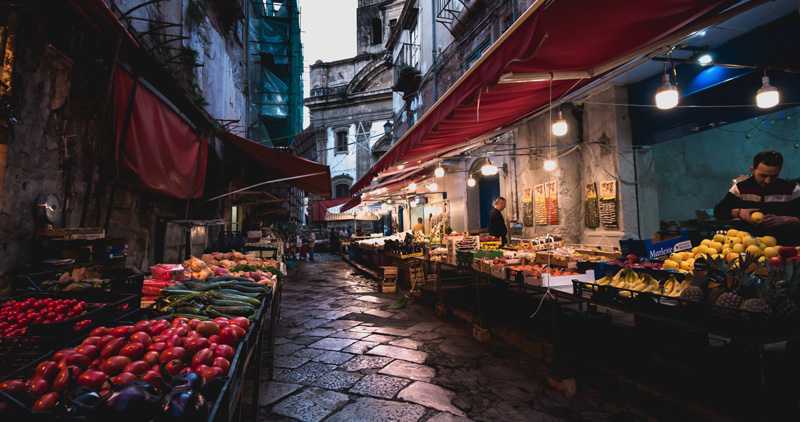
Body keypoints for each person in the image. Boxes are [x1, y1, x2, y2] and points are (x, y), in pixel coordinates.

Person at [713, 150, 800, 245]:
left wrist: (784, 220)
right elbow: (719, 211)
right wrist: (740, 212)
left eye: (774, 176)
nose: (768, 181)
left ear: (779, 170)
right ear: (752, 170)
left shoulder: (792, 190)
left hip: (784, 246)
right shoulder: (741, 188)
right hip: (748, 246)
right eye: (763, 176)